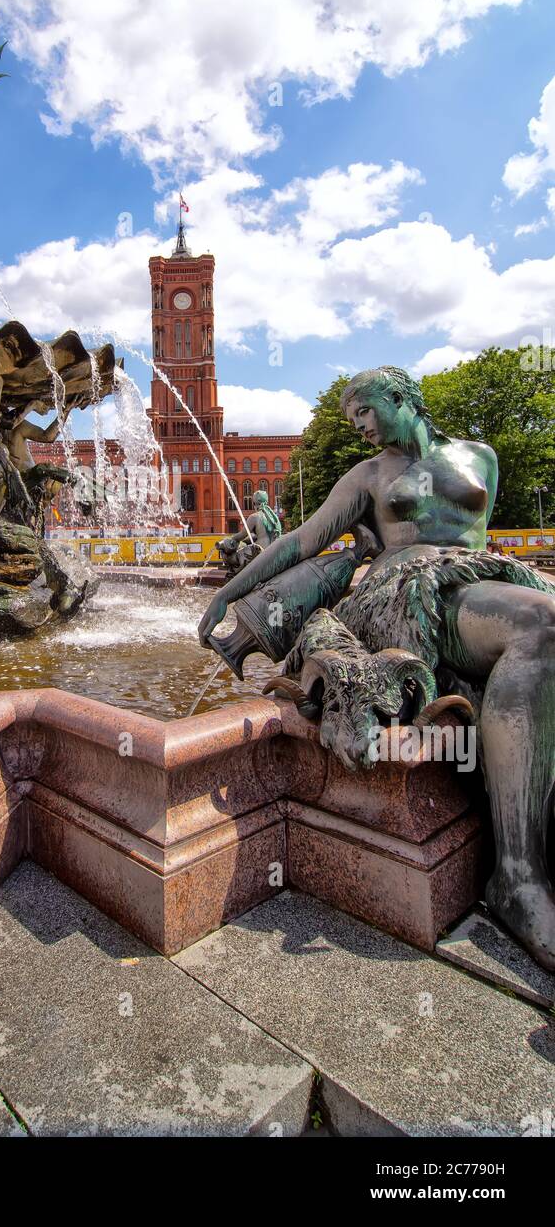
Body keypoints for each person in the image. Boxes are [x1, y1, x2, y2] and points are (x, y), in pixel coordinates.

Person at [198, 364, 555, 970]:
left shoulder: (481, 457)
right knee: (541, 626)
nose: (360, 427)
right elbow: (300, 542)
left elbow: (475, 538)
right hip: (405, 594)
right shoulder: (368, 476)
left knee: (539, 625)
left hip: (472, 584)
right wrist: (229, 592)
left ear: (398, 397)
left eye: (363, 412)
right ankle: (517, 878)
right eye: (352, 419)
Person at [217, 488, 282, 577]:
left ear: (254, 503)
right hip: (273, 552)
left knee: (232, 558)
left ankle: (234, 577)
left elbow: (242, 535)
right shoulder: (275, 518)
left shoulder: (254, 517)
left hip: (258, 552)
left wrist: (232, 539)